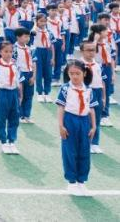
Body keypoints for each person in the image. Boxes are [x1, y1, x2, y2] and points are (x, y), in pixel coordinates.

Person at [57, 61, 96, 196]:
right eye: (71, 74)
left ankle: (81, 181)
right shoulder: (65, 89)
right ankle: (71, 182)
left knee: (84, 151)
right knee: (70, 151)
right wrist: (61, 126)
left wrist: (94, 126)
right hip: (70, 120)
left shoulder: (88, 90)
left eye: (77, 74)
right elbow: (61, 107)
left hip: (84, 121)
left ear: (84, 74)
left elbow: (91, 109)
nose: (74, 77)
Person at [0, 40, 21, 155]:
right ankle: (3, 141)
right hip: (2, 93)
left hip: (14, 93)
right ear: (0, 52)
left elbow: (18, 80)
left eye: (10, 51)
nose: (8, 54)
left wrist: (20, 94)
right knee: (1, 117)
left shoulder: (15, 64)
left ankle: (12, 141)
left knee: (14, 117)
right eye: (5, 51)